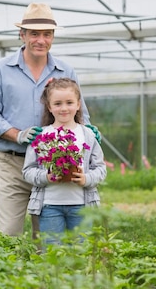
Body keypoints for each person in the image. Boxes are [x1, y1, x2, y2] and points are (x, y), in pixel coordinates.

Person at [0, 2, 98, 237]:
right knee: (9, 232)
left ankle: (42, 274)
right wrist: (18, 134)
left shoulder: (65, 72)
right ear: (22, 35)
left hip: (52, 165)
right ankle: (8, 272)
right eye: (34, 34)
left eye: (46, 34)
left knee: (45, 235)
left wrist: (89, 131)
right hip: (13, 163)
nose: (40, 40)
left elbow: (80, 113)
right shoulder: (0, 70)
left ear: (52, 37)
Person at [22, 77, 106, 248]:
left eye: (69, 102)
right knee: (52, 253)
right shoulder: (41, 136)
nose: (64, 108)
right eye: (58, 103)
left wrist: (86, 179)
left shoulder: (87, 135)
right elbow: (27, 171)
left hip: (82, 206)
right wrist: (46, 176)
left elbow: (100, 169)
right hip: (49, 207)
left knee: (81, 250)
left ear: (78, 104)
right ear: (49, 107)